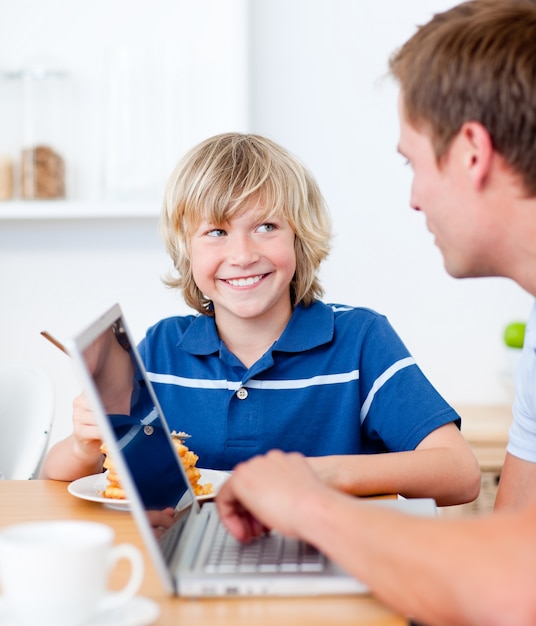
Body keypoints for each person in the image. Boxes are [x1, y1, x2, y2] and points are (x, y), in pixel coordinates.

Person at [215, 2, 536, 624]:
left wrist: (308, 503)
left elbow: (520, 586)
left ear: (472, 152)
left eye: (412, 162)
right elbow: (510, 546)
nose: (414, 199)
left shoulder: (358, 337)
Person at [42, 132, 479, 507]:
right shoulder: (160, 350)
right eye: (216, 232)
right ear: (186, 250)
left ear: (299, 236)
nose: (243, 254)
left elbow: (459, 473)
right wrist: (85, 442)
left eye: (267, 226)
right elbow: (53, 478)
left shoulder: (360, 340)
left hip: (328, 562)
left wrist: (319, 477)